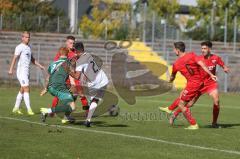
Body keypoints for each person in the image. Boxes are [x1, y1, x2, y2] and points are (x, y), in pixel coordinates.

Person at [160, 41, 230, 128]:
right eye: (202, 48)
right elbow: (191, 73)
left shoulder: (216, 58)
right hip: (199, 84)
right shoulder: (198, 58)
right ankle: (175, 114)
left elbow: (222, 64)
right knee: (189, 104)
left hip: (210, 83)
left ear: (209, 49)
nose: (202, 50)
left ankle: (214, 123)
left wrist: (225, 68)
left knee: (216, 100)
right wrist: (187, 86)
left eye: (205, 48)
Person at [8, 31, 45, 115]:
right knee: (27, 88)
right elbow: (14, 58)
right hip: (21, 72)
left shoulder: (28, 47)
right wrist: (11, 69)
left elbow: (32, 59)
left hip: (27, 72)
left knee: (22, 89)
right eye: (26, 37)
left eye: (29, 37)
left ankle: (16, 108)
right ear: (22, 37)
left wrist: (40, 66)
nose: (28, 39)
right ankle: (29, 109)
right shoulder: (19, 47)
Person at [51, 36, 89, 114]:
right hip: (64, 77)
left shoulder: (76, 52)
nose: (72, 44)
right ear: (66, 43)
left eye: (73, 43)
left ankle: (87, 112)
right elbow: (56, 63)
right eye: (70, 43)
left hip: (73, 76)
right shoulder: (62, 52)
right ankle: (52, 111)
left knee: (81, 94)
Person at [40, 47, 79, 122]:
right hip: (59, 87)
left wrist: (46, 89)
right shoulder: (68, 63)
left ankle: (66, 116)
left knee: (72, 99)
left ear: (59, 54)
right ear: (67, 54)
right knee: (72, 107)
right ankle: (47, 111)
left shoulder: (53, 63)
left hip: (51, 87)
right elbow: (72, 75)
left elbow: (48, 78)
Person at [74, 42, 109, 127]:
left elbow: (77, 76)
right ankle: (88, 120)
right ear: (83, 49)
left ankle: (89, 118)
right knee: (95, 100)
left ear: (76, 51)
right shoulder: (89, 55)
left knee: (92, 100)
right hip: (103, 80)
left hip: (94, 83)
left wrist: (68, 70)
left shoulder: (79, 61)